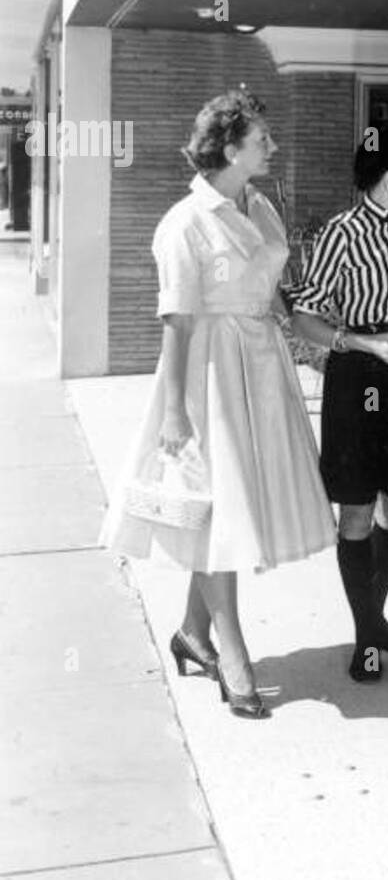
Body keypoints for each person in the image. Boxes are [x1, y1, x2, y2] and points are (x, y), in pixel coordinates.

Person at [100, 91, 336, 719]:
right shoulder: (184, 222)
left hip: (263, 367)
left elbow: (274, 291)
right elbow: (177, 323)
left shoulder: (260, 207)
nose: (273, 148)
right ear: (230, 149)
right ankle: (232, 651)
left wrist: (322, 336)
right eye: (263, 141)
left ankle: (193, 634)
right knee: (215, 512)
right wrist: (175, 411)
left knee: (233, 509)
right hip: (209, 372)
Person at [289, 129, 388, 683]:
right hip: (358, 376)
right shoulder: (341, 234)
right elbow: (304, 317)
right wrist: (362, 343)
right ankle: (366, 637)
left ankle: (375, 619)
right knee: (357, 508)